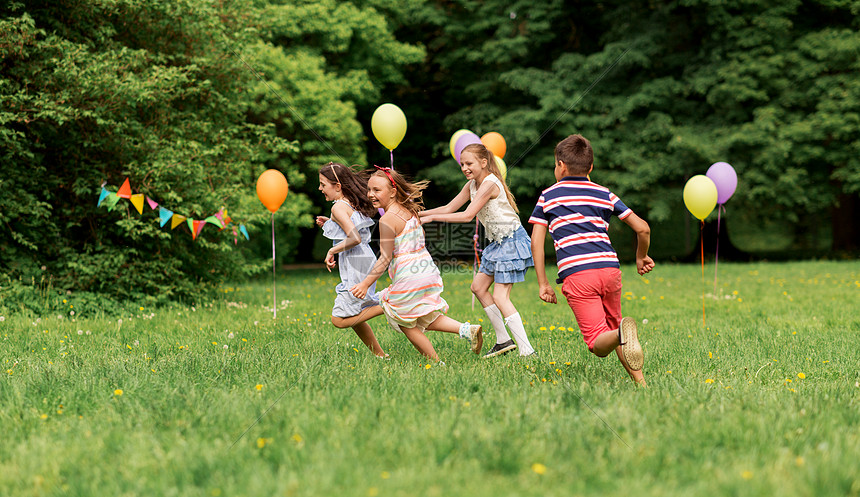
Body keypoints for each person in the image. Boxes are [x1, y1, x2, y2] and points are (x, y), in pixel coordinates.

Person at [529, 135, 655, 385]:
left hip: (578, 274)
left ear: (561, 165)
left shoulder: (548, 196)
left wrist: (543, 283)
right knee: (615, 327)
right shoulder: (604, 194)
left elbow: (536, 242)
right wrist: (641, 257)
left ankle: (622, 332)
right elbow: (642, 229)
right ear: (591, 167)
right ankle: (641, 383)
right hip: (609, 269)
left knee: (598, 343)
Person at [350, 166, 483, 361]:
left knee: (404, 321)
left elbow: (385, 258)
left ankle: (436, 363)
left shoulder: (387, 220)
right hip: (426, 270)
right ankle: (466, 329)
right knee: (422, 316)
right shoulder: (410, 211)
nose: (370, 194)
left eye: (376, 190)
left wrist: (364, 284)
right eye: (369, 189)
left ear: (393, 191)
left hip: (408, 275)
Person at [419, 143, 535, 358]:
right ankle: (503, 341)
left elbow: (466, 215)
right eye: (462, 164)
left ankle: (527, 351)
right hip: (498, 243)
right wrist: (419, 214)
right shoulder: (472, 184)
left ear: (483, 163)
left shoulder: (490, 184)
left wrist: (431, 218)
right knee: (478, 287)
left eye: (469, 163)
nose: (464, 167)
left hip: (511, 241)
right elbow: (449, 208)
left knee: (501, 297)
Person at [316, 162, 387, 357]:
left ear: (337, 186)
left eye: (323, 184)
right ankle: (380, 355)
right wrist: (330, 223)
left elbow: (354, 238)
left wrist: (332, 251)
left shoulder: (339, 206)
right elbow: (352, 228)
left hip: (357, 262)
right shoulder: (347, 203)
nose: (320, 189)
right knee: (354, 313)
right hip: (362, 259)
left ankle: (387, 305)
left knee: (339, 319)